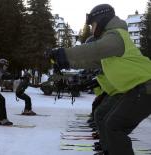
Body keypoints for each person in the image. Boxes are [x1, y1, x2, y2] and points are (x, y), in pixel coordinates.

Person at [49, 4, 151, 155]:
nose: (91, 29)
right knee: (106, 118)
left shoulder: (116, 36)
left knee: (115, 126)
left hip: (145, 88)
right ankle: (110, 150)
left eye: (93, 25)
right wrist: (64, 62)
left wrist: (63, 53)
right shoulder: (110, 44)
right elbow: (89, 62)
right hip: (136, 90)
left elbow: (94, 50)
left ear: (102, 20)